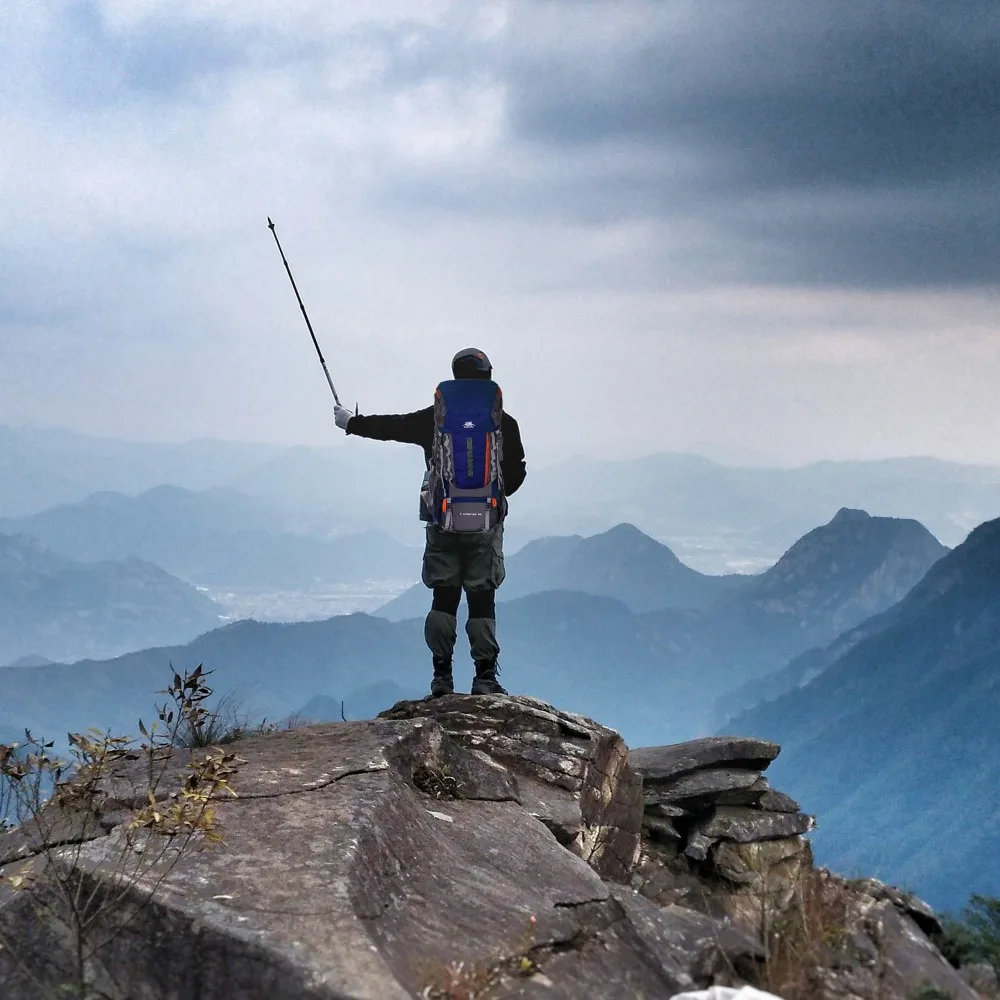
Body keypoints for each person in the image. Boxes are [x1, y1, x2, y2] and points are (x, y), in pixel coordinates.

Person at [333, 348, 526, 697]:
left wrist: (352, 423)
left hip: (444, 523)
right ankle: (485, 678)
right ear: (487, 377)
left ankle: (442, 678)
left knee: (444, 597)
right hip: (485, 527)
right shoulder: (504, 423)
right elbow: (515, 476)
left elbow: (391, 426)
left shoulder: (434, 419)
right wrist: (489, 496)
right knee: (482, 599)